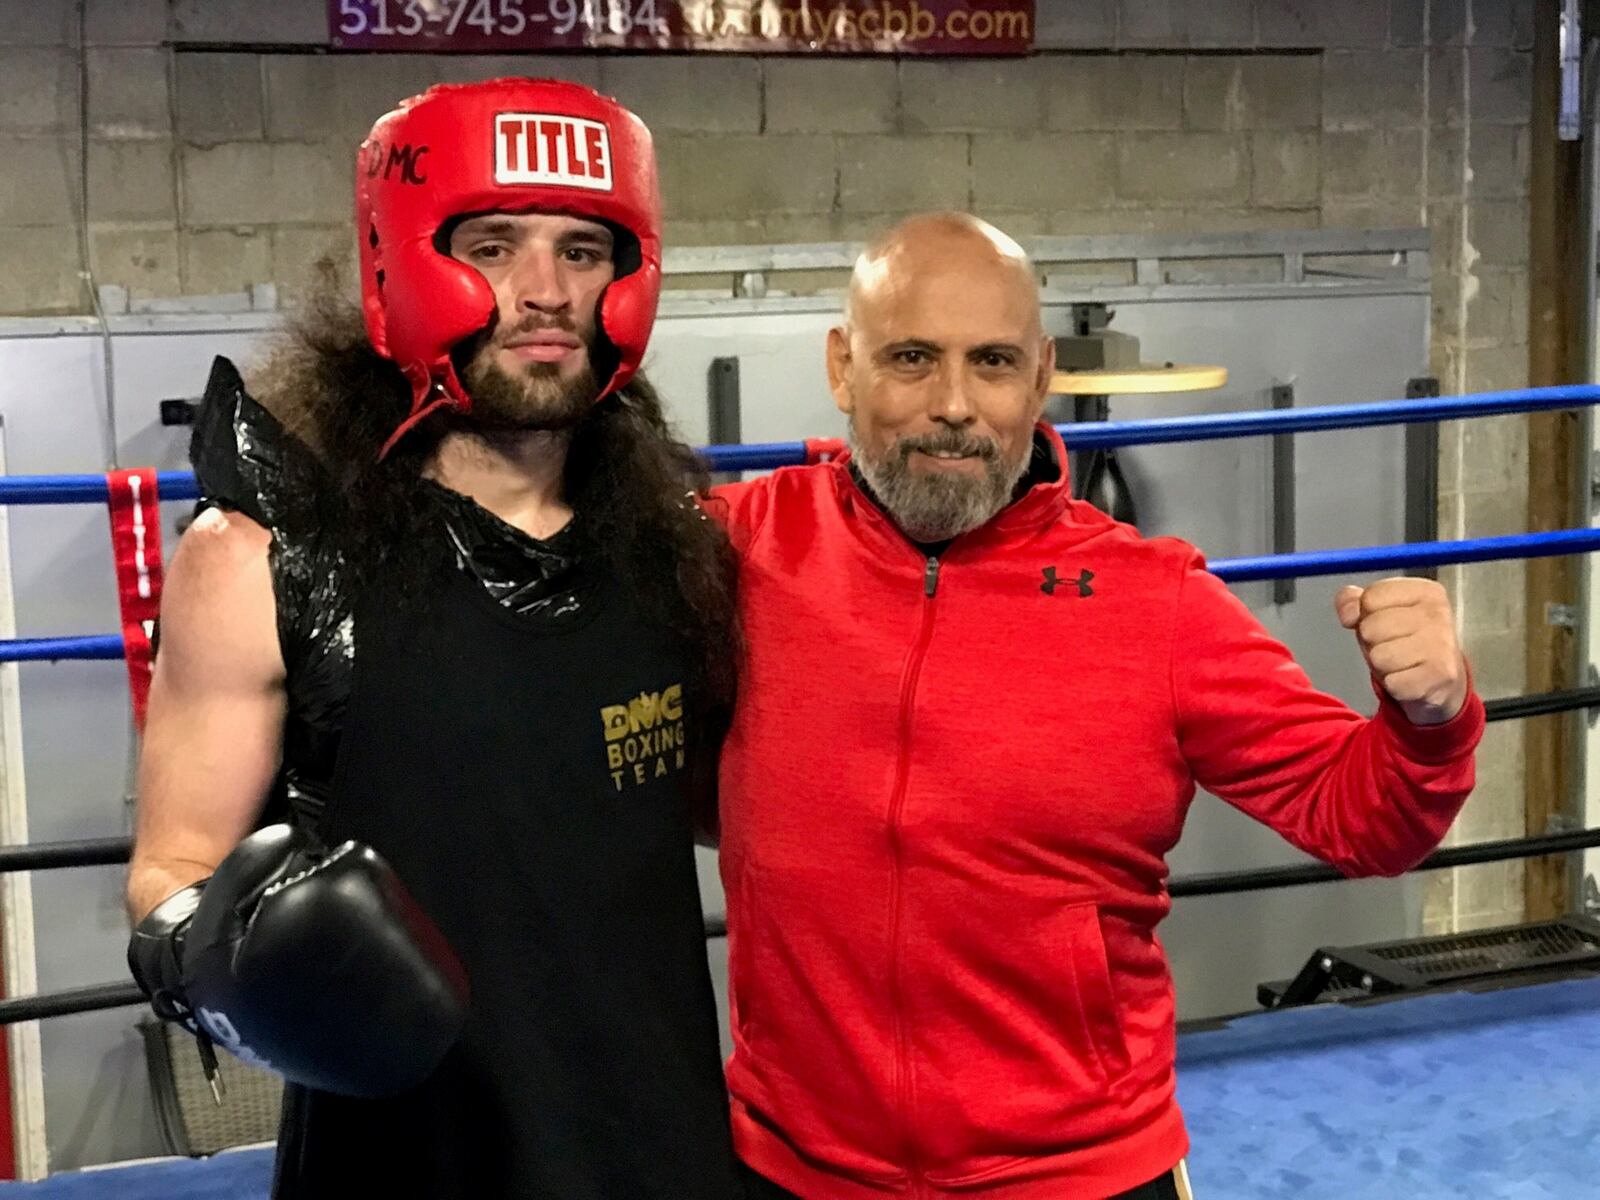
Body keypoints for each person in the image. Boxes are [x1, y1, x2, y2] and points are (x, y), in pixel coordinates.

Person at [708, 212, 1483, 1200]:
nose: (952, 404)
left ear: (1038, 379)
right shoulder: (742, 548)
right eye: (910, 358)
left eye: (989, 363)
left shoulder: (1150, 602)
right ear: (841, 366)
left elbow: (1365, 819)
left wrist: (1427, 721)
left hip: (1077, 1174)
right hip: (796, 1169)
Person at [125, 78, 744, 1200]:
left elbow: (718, 807)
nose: (546, 292)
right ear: (399, 259)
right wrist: (237, 955)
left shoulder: (675, 551)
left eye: (583, 250)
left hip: (660, 1149)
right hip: (404, 1166)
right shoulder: (267, 559)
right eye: (496, 245)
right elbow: (169, 871)